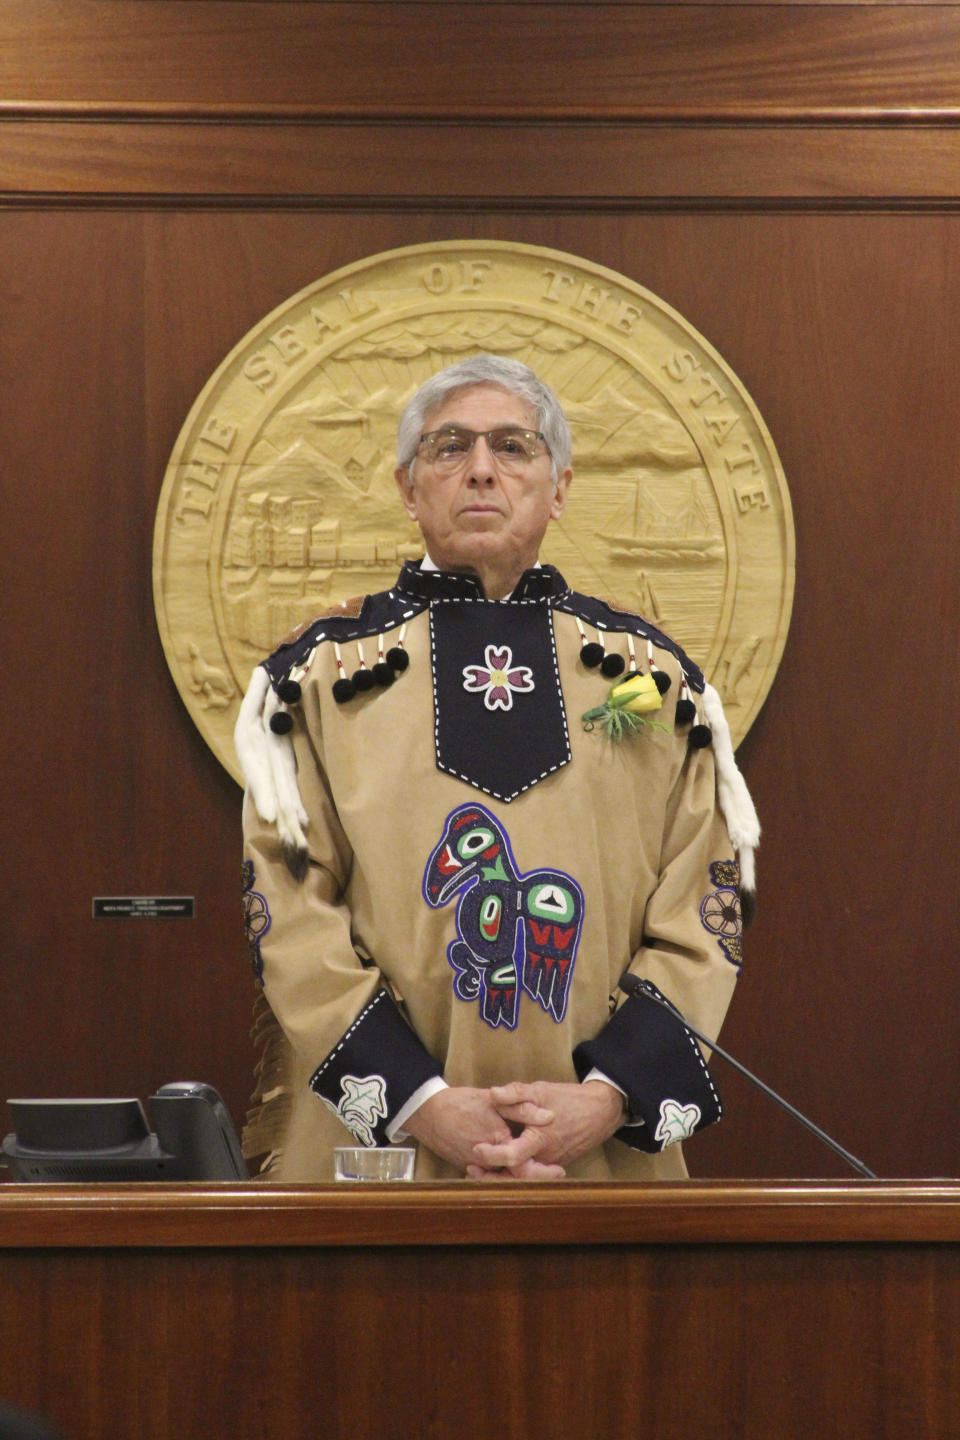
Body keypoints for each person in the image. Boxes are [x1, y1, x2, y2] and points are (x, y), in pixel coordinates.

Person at [236, 354, 759, 1180]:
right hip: (380, 1152)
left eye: (513, 447)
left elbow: (704, 908)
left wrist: (607, 1097)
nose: (481, 469)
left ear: (559, 486)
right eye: (450, 448)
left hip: (598, 1147)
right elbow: (292, 911)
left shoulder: (657, 681)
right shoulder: (314, 681)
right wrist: (420, 1102)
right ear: (408, 487)